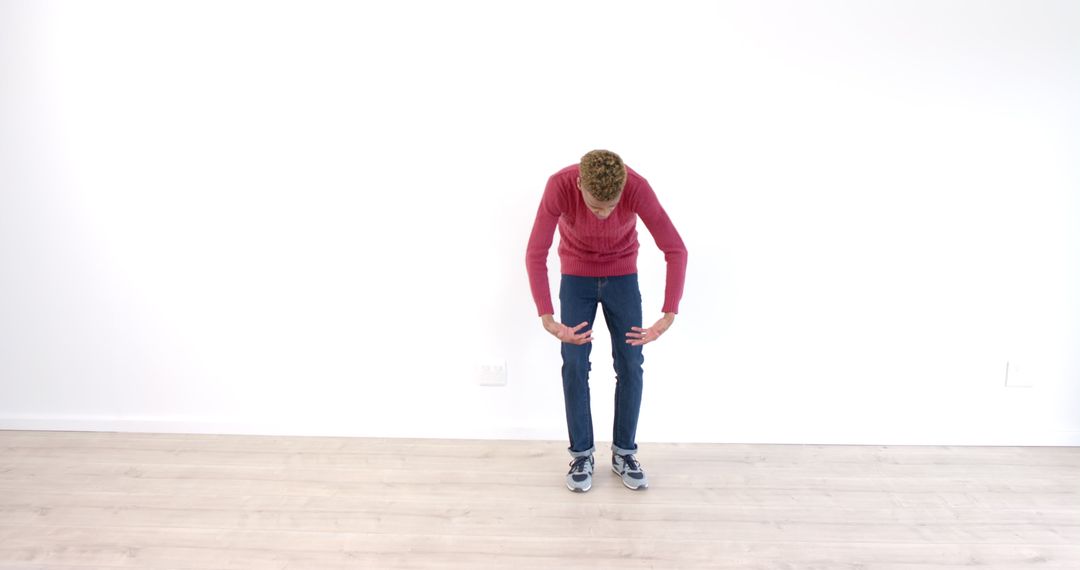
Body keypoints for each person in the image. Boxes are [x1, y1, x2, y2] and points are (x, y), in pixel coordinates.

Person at [525, 149, 688, 492]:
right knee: (574, 363)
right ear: (580, 183)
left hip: (622, 278)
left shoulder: (637, 187)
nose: (603, 215)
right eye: (596, 206)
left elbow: (675, 248)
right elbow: (535, 252)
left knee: (630, 363)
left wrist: (669, 311)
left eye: (611, 207)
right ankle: (581, 453)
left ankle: (624, 453)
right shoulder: (559, 185)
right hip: (576, 280)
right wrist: (546, 316)